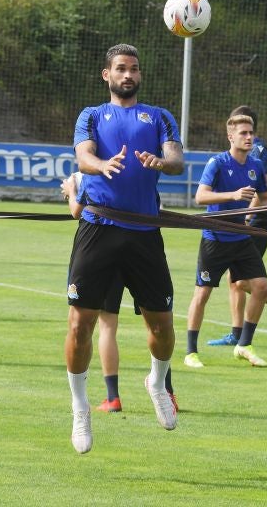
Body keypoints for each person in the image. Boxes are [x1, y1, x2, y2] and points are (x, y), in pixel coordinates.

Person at [66, 43, 183, 454]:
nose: (128, 74)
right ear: (107, 74)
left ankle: (156, 380)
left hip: (144, 234)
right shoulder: (92, 116)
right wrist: (102, 165)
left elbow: (176, 159)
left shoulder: (160, 116)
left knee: (163, 326)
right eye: (120, 69)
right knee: (80, 324)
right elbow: (83, 157)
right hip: (98, 228)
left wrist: (161, 163)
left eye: (134, 68)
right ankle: (80, 407)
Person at [60, 172, 178, 414]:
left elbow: (76, 210)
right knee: (151, 322)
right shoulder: (122, 172)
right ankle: (161, 389)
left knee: (127, 324)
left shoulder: (83, 175)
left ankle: (115, 396)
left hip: (125, 241)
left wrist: (70, 191)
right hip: (109, 241)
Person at [183, 114, 267, 369]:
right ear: (231, 136)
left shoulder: (257, 165)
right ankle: (191, 351)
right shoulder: (217, 163)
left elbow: (262, 195)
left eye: (251, 133)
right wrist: (233, 195)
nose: (249, 137)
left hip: (241, 237)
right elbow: (200, 197)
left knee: (260, 286)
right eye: (244, 133)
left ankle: (244, 345)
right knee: (202, 293)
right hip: (215, 237)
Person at [206, 105, 267, 349]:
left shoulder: (256, 151)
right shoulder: (249, 149)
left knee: (244, 281)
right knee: (235, 279)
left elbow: (258, 188)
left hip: (255, 219)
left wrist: (247, 216)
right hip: (246, 218)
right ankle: (236, 332)